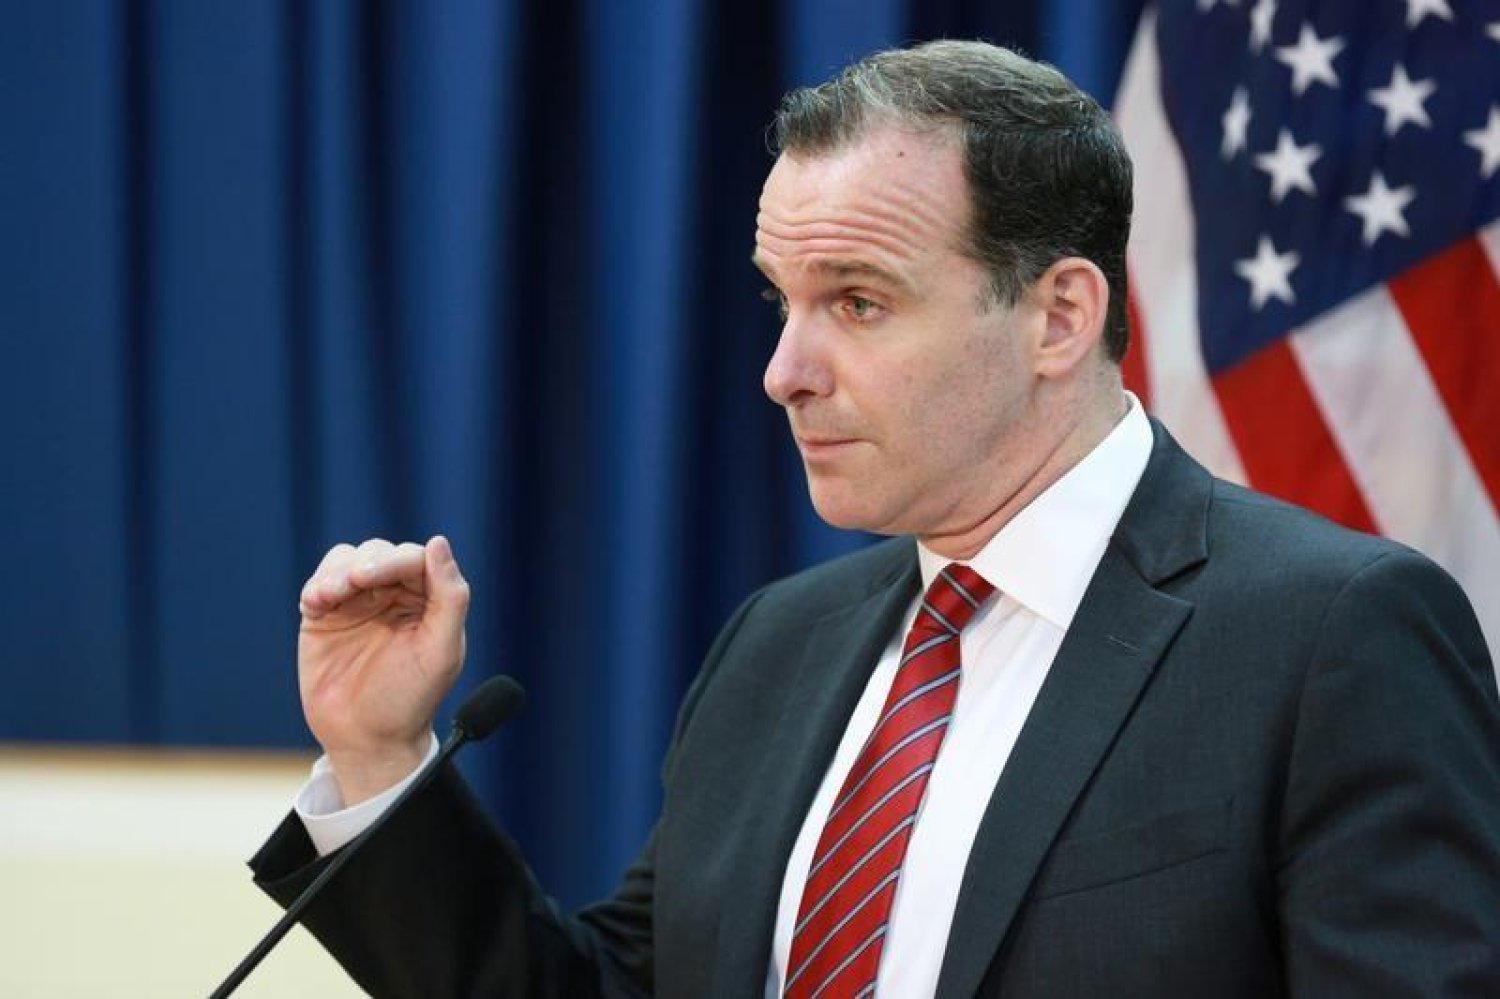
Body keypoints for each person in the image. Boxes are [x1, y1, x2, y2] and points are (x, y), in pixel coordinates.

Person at [251, 40, 1500, 997]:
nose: (782, 372)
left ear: (1060, 316)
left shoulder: (1329, 635)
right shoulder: (778, 644)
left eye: (856, 303)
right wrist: (379, 757)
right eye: (781, 302)